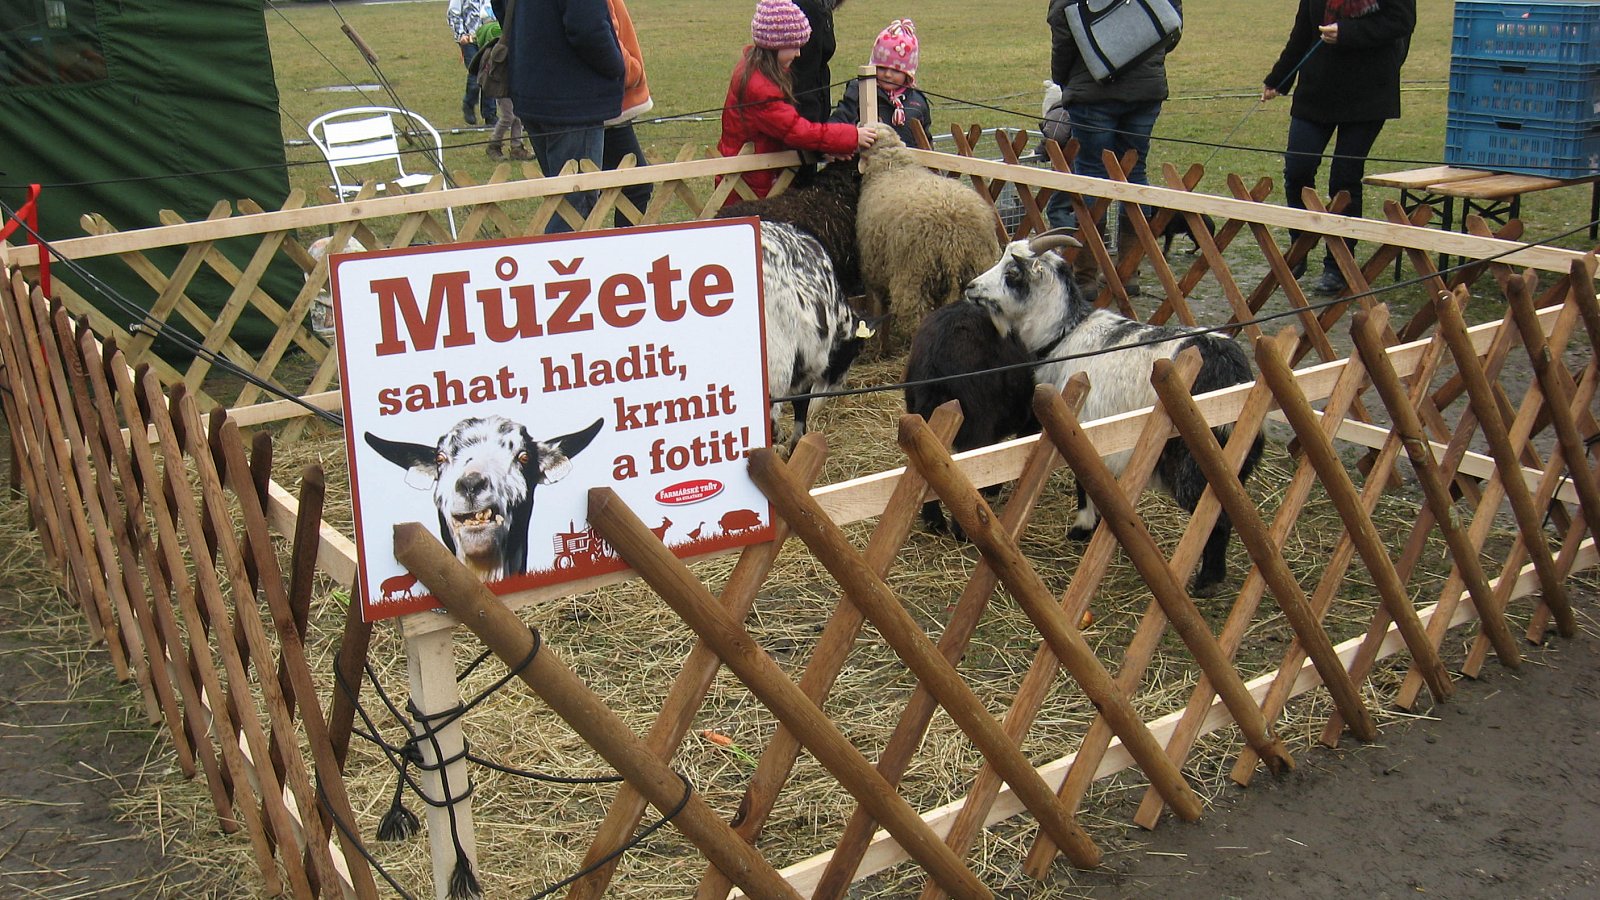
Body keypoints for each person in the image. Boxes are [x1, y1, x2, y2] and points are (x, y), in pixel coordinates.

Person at [1263, 0, 1416, 295]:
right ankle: (1299, 246)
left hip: (1369, 93)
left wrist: (1348, 32)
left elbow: (1401, 21)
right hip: (1317, 91)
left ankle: (1338, 263)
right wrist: (1279, 77)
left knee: (1344, 178)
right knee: (1298, 169)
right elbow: (1303, 29)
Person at [1043, 0, 1182, 294]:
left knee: (1091, 176)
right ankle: (1128, 271)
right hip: (1145, 86)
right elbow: (1171, 19)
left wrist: (1064, 77)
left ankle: (1085, 276)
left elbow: (1063, 24)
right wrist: (1140, 49)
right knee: (1135, 173)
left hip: (1092, 88)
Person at [717, 0, 877, 204]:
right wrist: (852, 136)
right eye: (794, 46)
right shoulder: (761, 87)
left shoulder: (758, 71)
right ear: (776, 45)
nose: (798, 53)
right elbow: (796, 131)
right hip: (753, 184)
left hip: (757, 175)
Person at [492, 0, 624, 234]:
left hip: (533, 87)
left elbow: (503, 10)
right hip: (572, 100)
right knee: (574, 206)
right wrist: (617, 65)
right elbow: (587, 28)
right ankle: (557, 267)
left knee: (563, 200)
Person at [829, 18, 932, 147]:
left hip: (905, 165)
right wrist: (853, 136)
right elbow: (838, 122)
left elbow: (926, 141)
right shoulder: (859, 91)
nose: (887, 75)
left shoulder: (917, 102)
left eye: (896, 70)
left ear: (908, 74)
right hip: (861, 164)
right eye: (881, 68)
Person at [603, 0, 654, 227]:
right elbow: (598, 32)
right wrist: (632, 71)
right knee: (637, 184)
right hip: (604, 104)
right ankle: (622, 257)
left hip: (553, 97)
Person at [470, 19, 529, 162]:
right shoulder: (498, 52)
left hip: (513, 86)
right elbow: (497, 75)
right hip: (502, 88)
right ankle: (493, 145)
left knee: (518, 116)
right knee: (508, 116)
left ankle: (516, 147)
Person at [792, 1, 847, 123]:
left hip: (816, 102)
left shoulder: (821, 7)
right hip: (803, 111)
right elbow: (804, 70)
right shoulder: (808, 8)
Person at [447, 0, 497, 126]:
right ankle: (469, 104)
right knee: (475, 72)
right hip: (469, 39)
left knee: (489, 73)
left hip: (488, 37)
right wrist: (460, 34)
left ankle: (490, 114)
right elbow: (453, 13)